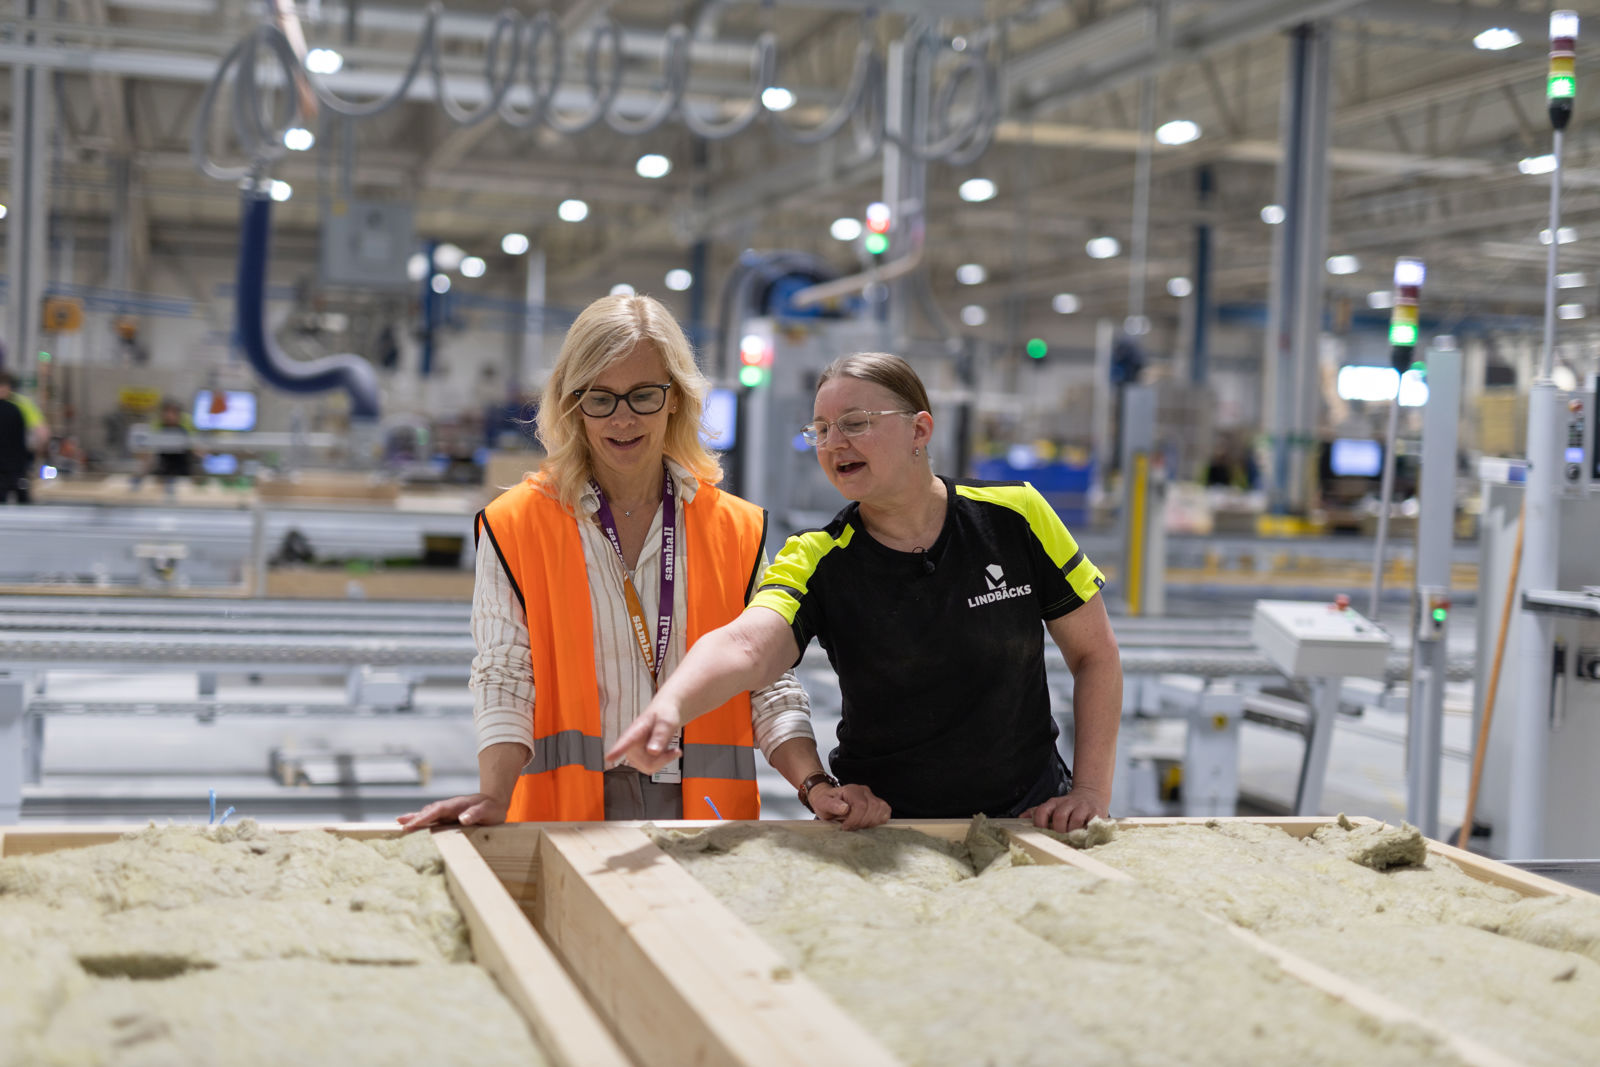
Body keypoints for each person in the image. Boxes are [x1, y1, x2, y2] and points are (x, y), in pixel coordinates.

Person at [610, 352, 1123, 833]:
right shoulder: (818, 556)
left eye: (855, 423)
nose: (833, 443)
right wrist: (670, 706)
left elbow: (1094, 653)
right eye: (821, 430)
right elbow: (747, 645)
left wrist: (1091, 790)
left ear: (919, 429)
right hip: (884, 826)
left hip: (1028, 814)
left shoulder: (1016, 515)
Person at [398, 293, 819, 829]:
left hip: (707, 817)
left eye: (643, 395)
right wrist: (494, 794)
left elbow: (769, 680)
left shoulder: (736, 530)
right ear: (573, 404)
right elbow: (505, 672)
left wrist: (812, 783)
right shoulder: (516, 525)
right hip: (566, 813)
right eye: (601, 399)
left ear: (676, 399)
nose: (623, 419)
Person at [0, 371, 48, 504]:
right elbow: (42, 433)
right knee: (23, 503)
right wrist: (34, 456)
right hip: (16, 465)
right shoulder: (22, 404)